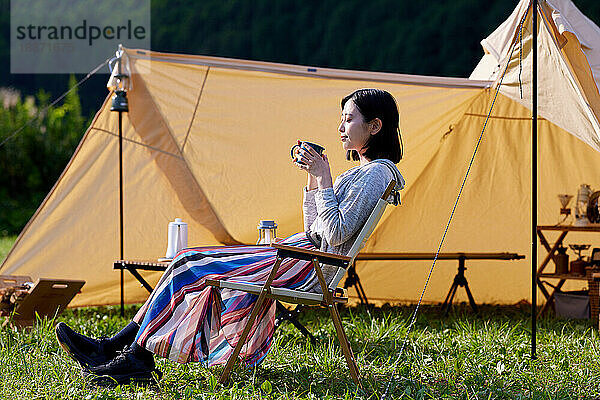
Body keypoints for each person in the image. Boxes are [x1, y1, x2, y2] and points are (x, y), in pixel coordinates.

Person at [56, 88, 405, 385]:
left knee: (189, 262)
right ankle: (123, 349)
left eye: (348, 119)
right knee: (187, 261)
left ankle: (130, 354)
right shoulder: (361, 172)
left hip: (309, 267)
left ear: (375, 126)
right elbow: (317, 227)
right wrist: (314, 182)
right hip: (302, 256)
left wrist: (325, 177)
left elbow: (336, 233)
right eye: (341, 118)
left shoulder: (377, 174)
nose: (340, 127)